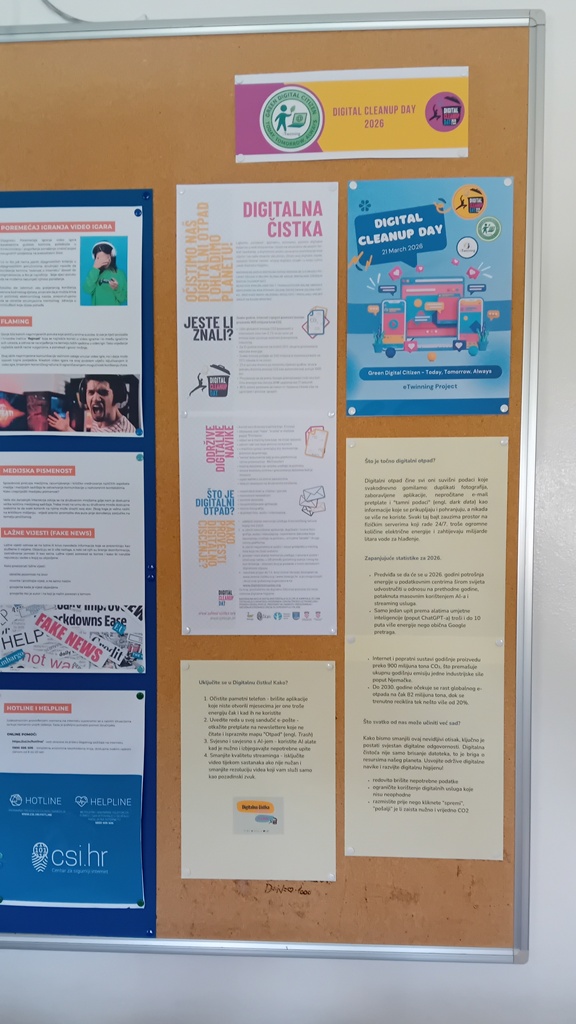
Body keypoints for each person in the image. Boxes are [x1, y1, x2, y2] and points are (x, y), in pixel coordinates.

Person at [47, 375, 136, 434]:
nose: (95, 398)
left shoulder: (126, 432)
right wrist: (67, 429)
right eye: (91, 392)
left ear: (117, 396)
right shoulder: (98, 420)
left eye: (103, 392)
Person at [82, 241, 127, 305]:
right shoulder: (93, 273)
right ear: (95, 258)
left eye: (107, 257)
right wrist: (95, 268)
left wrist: (116, 289)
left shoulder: (120, 274)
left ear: (112, 256)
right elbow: (87, 290)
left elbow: (123, 298)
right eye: (99, 258)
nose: (103, 260)